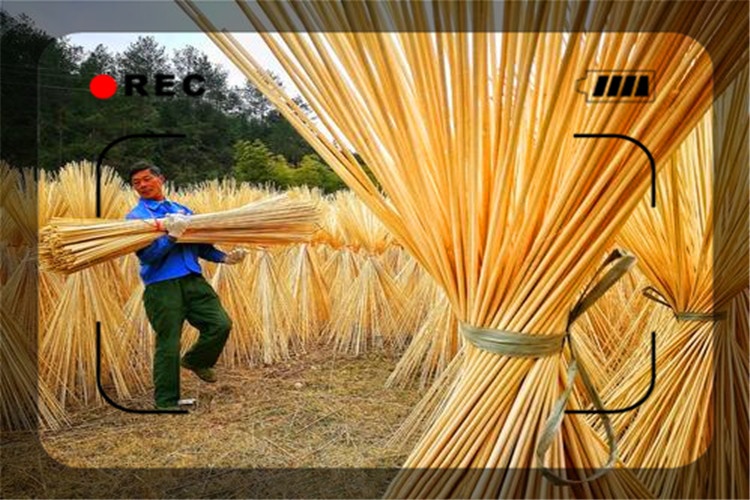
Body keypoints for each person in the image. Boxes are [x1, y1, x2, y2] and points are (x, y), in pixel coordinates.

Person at [125, 161, 247, 411]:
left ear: (161, 179)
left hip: (193, 280)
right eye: (136, 183)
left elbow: (201, 246)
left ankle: (196, 360)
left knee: (220, 323)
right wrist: (171, 237)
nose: (143, 185)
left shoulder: (182, 210)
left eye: (147, 179)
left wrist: (225, 258)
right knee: (169, 342)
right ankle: (166, 401)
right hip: (162, 286)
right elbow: (148, 256)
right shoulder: (137, 218)